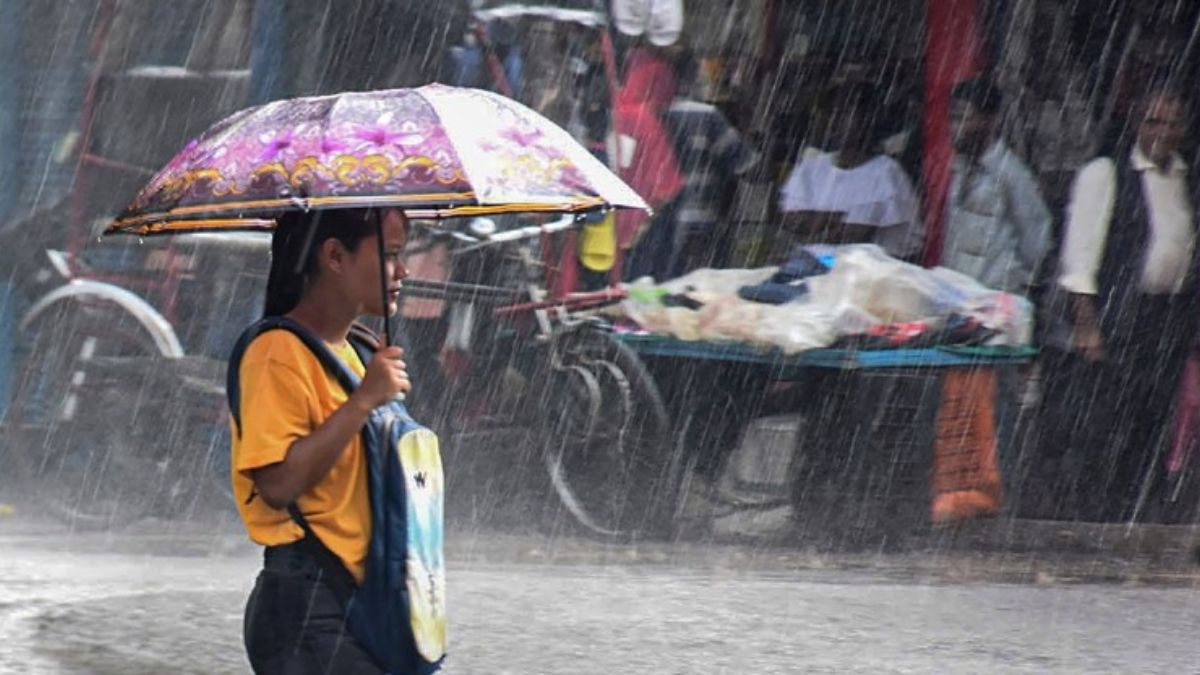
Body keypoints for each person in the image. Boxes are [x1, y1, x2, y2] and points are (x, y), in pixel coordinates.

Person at [233, 208, 411, 673]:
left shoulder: (359, 351)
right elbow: (277, 483)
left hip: (362, 599)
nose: (404, 271)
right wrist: (362, 402)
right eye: (391, 255)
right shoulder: (276, 352)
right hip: (306, 605)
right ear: (334, 255)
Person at [1050, 85, 1198, 522]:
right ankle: (1097, 513)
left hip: (1166, 318)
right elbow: (1080, 255)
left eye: (1171, 123)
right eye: (1153, 121)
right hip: (1120, 315)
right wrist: (1087, 324)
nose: (1162, 132)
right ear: (1136, 124)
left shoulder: (1184, 179)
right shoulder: (1107, 174)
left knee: (1154, 417)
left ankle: (1136, 510)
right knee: (1109, 419)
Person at [777, 79, 924, 261]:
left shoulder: (886, 173)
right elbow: (791, 222)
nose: (833, 120)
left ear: (868, 119)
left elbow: (851, 239)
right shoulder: (812, 166)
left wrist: (816, 221)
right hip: (817, 271)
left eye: (843, 113)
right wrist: (831, 219)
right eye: (830, 113)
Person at [944, 78, 1052, 296]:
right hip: (958, 297)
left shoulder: (1012, 174)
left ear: (990, 121)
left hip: (997, 303)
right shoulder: (960, 166)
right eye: (953, 118)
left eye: (965, 117)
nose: (955, 127)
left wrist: (1014, 285)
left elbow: (1036, 242)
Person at [662, 51, 761, 275]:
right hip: (699, 226)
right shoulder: (707, 116)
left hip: (655, 227)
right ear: (693, 75)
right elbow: (751, 169)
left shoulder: (645, 110)